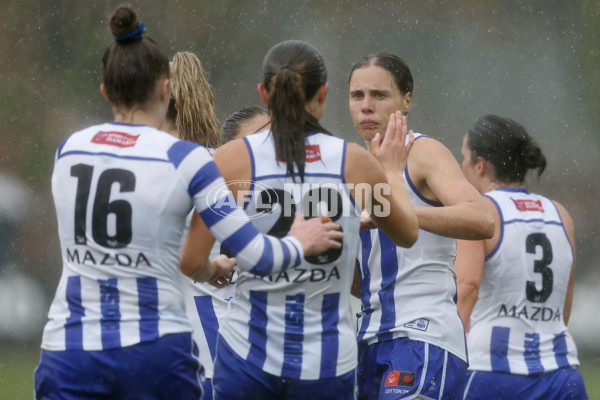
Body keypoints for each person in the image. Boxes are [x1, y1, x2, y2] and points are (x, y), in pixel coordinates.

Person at [33, 7, 343, 400]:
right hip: (153, 347)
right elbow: (252, 254)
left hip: (69, 346)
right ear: (165, 89)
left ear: (106, 91)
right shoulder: (187, 159)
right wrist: (299, 240)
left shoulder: (69, 150)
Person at [189, 40, 419, 400]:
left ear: (264, 93)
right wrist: (391, 172)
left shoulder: (233, 159)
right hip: (325, 363)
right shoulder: (354, 163)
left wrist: (213, 267)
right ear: (324, 95)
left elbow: (190, 261)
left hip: (248, 356)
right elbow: (407, 234)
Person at [348, 52, 495, 400]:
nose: (366, 106)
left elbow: (481, 218)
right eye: (357, 96)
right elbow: (362, 282)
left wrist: (403, 216)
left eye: (379, 95)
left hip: (422, 336)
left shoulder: (422, 152)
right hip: (368, 341)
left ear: (406, 100)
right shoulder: (351, 169)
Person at [456, 114, 588, 399]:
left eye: (464, 158)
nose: (460, 166)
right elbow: (563, 307)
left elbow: (467, 288)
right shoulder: (560, 214)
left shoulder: (479, 212)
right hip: (562, 375)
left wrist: (446, 352)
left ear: (480, 165)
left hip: (493, 375)